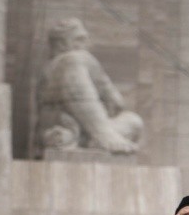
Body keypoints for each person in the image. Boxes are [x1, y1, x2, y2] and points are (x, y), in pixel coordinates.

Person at [36, 17, 143, 156]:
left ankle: (89, 139)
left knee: (134, 121)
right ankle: (102, 135)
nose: (85, 44)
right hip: (61, 123)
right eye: (79, 39)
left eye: (85, 39)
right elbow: (82, 94)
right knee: (73, 59)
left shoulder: (83, 63)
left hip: (86, 129)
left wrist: (106, 87)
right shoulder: (60, 64)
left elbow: (117, 104)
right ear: (61, 44)